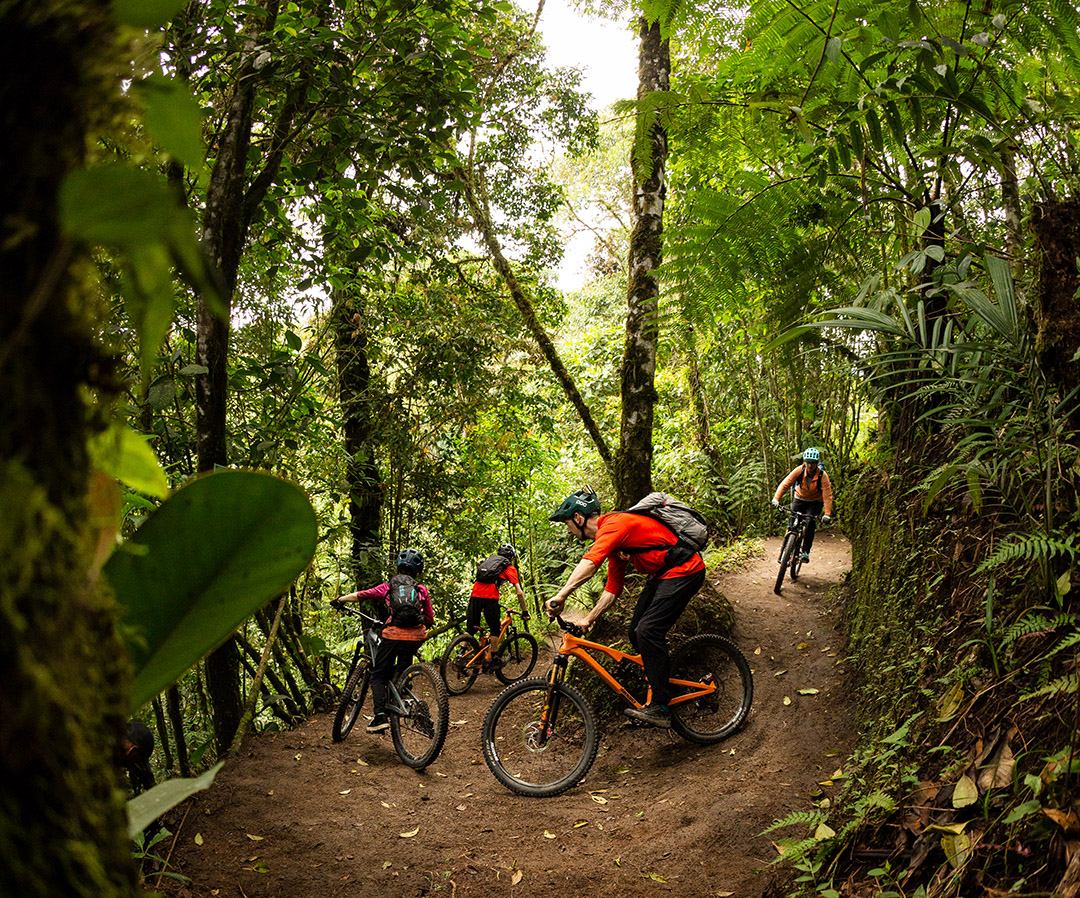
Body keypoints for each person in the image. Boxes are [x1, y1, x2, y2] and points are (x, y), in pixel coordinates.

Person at [545, 488, 707, 729]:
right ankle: (665, 686)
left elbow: (590, 563)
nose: (568, 530)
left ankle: (661, 706)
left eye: (568, 523)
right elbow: (612, 589)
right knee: (635, 633)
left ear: (579, 518)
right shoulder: (614, 542)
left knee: (648, 631)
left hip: (685, 570)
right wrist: (589, 619)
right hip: (663, 575)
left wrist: (561, 595)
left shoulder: (613, 525)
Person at [332, 548, 434, 734]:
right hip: (416, 636)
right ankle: (403, 685)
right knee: (403, 664)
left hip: (393, 634)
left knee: (378, 674)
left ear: (398, 567)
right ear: (417, 571)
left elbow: (361, 595)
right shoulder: (421, 590)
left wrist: (340, 599)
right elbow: (429, 618)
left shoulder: (388, 587)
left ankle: (380, 716)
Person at [467, 543, 531, 663]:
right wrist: (525, 611)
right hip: (490, 596)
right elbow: (519, 593)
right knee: (495, 628)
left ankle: (460, 653)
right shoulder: (508, 568)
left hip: (475, 593)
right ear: (511, 557)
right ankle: (494, 657)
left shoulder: (489, 561)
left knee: (471, 628)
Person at [771, 447, 833, 563]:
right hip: (799, 498)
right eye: (808, 463)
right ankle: (784, 550)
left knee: (810, 523)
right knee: (791, 524)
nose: (810, 466)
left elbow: (827, 495)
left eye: (813, 463)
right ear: (805, 462)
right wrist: (776, 498)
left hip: (815, 501)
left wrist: (827, 514)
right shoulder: (799, 470)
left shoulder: (822, 476)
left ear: (817, 464)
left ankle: (805, 551)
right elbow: (785, 484)